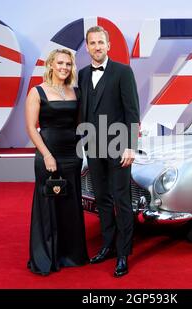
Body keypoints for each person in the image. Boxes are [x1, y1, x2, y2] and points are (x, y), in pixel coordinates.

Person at [78, 26, 140, 277]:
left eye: (100, 42)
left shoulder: (123, 72)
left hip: (118, 146)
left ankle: (123, 254)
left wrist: (131, 146)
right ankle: (108, 246)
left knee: (121, 200)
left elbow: (132, 111)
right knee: (102, 198)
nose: (97, 47)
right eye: (92, 43)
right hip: (92, 146)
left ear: (108, 45)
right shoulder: (82, 74)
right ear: (88, 47)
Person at [26, 49, 89, 275]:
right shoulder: (37, 91)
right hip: (48, 155)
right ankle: (47, 256)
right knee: (49, 203)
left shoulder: (76, 92)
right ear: (51, 64)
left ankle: (70, 255)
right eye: (60, 63)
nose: (64, 67)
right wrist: (47, 155)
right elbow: (32, 128)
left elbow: (82, 125)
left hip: (72, 154)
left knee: (70, 204)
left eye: (68, 64)